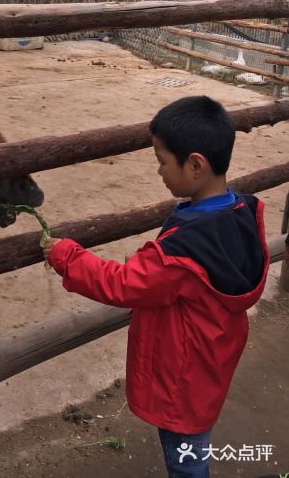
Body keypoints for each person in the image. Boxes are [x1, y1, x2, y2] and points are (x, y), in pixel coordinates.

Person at [42, 95, 269, 477]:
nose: (159, 172)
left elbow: (122, 284)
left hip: (181, 376)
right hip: (210, 361)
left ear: (195, 165)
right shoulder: (242, 211)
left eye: (163, 162)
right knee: (196, 438)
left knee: (186, 458)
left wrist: (66, 255)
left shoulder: (183, 255)